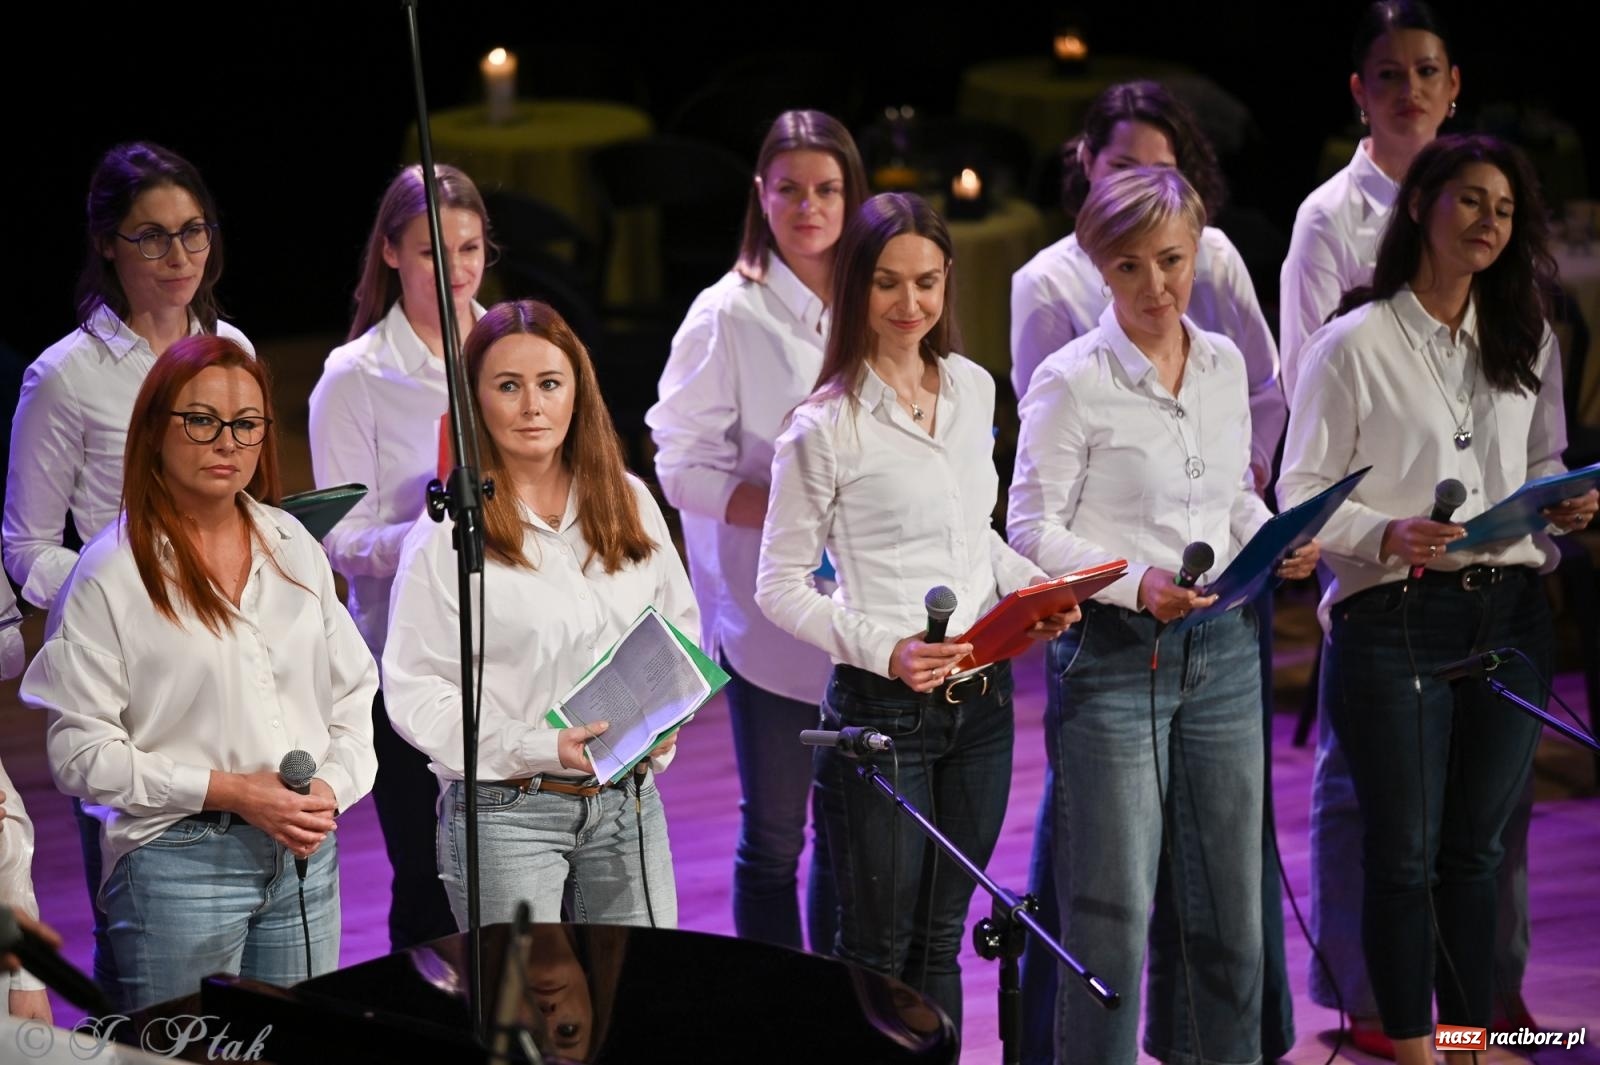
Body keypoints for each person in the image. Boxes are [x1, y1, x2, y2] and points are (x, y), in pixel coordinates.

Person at [1278, 134, 1595, 1065]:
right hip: (1397, 619)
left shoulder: (1523, 328)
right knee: (1405, 855)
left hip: (1511, 613)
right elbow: (1303, 496)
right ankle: (1415, 1049)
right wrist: (1384, 533)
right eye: (1470, 201)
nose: (1489, 223)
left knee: (1476, 854)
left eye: (1504, 209)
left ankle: (1468, 1043)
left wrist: (1565, 494)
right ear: (1420, 205)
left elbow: (1542, 455)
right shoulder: (1353, 343)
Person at [1007, 80, 1292, 1062]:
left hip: (1219, 651)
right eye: (1130, 267)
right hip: (1116, 660)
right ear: (1101, 268)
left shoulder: (1216, 364)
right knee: (1110, 916)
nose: (1156, 285)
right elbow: (1028, 527)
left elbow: (1229, 496)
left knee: (1227, 905)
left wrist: (1272, 530)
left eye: (1170, 262)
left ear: (1196, 249)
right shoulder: (1069, 380)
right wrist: (1134, 584)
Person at [756, 193, 1075, 1030]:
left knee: (941, 935)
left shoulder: (972, 387)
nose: (910, 305)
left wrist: (1032, 589)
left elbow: (977, 537)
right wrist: (884, 646)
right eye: (889, 284)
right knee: (873, 943)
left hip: (983, 705)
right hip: (882, 711)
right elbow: (779, 583)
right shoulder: (821, 427)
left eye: (927, 283)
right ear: (856, 288)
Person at [20, 335, 378, 1012]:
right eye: (201, 420)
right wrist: (232, 790)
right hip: (178, 864)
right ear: (156, 427)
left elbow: (354, 690)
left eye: (246, 424)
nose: (226, 441)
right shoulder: (110, 572)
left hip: (304, 856)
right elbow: (79, 755)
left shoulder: (291, 543)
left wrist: (332, 785)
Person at [2, 140, 253, 996]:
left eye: (195, 232)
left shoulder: (231, 346)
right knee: (139, 897)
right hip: (125, 664)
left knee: (241, 845)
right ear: (108, 242)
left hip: (228, 642)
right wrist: (124, 581)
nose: (180, 256)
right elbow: (25, 546)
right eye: (153, 236)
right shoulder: (66, 376)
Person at [384, 299, 697, 929]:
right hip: (507, 814)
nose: (532, 406)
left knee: (641, 1000)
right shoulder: (447, 533)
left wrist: (664, 716)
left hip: (628, 803)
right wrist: (540, 745)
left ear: (576, 394)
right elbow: (417, 693)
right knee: (521, 1016)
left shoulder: (628, 499)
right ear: (476, 401)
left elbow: (677, 628)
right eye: (509, 386)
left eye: (550, 384)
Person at [647, 109, 867, 952]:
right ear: (761, 197)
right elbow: (679, 464)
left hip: (860, 612)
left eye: (826, 189)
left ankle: (836, 1011)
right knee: (777, 834)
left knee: (850, 836)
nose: (808, 207)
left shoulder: (873, 295)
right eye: (790, 190)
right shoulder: (727, 313)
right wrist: (788, 508)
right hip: (769, 611)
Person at [307, 163, 491, 951]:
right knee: (429, 877)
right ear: (390, 253)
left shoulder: (506, 344)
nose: (455, 271)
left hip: (512, 652)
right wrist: (432, 526)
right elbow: (337, 541)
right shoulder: (354, 378)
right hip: (406, 661)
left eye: (470, 247)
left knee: (508, 871)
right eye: (430, 252)